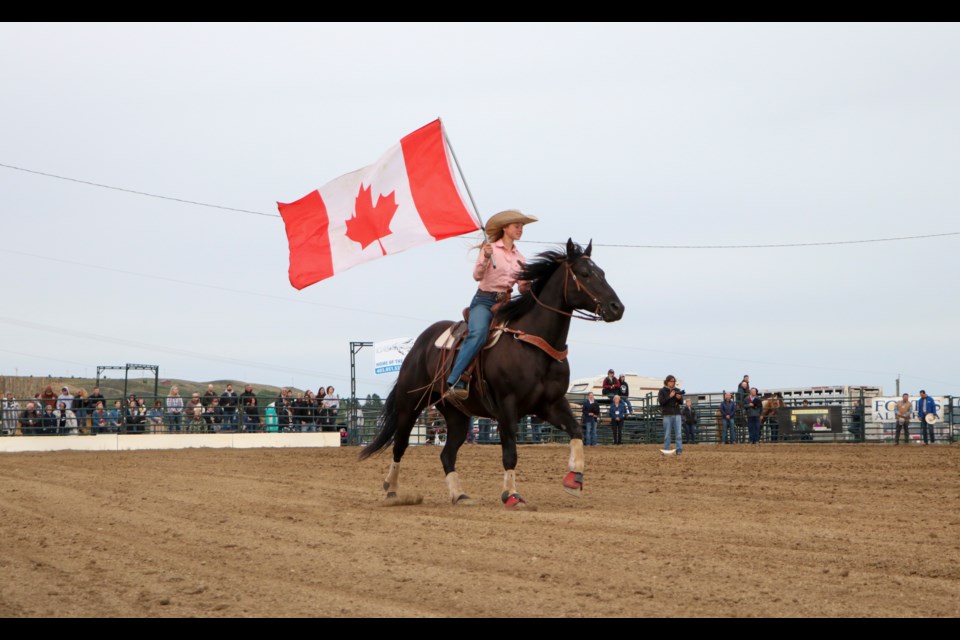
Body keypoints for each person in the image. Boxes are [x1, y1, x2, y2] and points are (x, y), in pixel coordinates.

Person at [443, 209, 537, 401]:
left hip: (507, 303)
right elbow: (477, 276)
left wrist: (530, 282)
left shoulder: (521, 258)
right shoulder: (490, 249)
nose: (520, 229)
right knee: (478, 334)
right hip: (484, 301)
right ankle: (455, 379)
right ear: (505, 228)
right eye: (516, 226)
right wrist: (485, 257)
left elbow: (523, 288)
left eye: (522, 226)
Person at [658, 375, 683, 455]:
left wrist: (679, 398)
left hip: (677, 414)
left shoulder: (677, 390)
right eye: (671, 381)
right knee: (667, 434)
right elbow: (661, 402)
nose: (673, 383)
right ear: (667, 382)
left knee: (678, 434)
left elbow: (681, 402)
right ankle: (666, 450)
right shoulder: (662, 391)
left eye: (674, 382)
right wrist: (670, 396)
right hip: (667, 415)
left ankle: (679, 450)